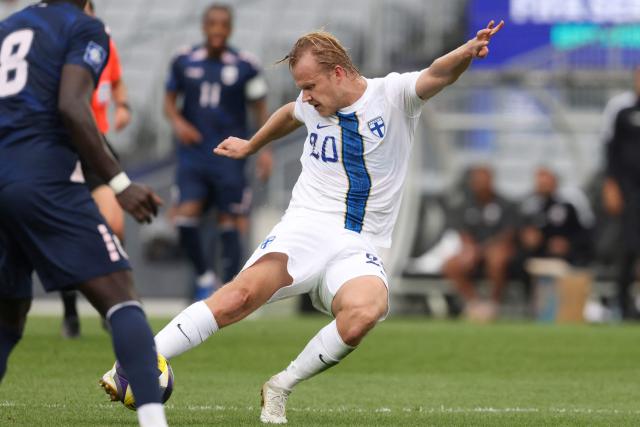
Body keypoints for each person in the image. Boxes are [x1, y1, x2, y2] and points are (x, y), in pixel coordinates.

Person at [106, 21, 503, 424]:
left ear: (339, 73)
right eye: (302, 88)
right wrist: (252, 144)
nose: (305, 97)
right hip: (305, 227)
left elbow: (438, 72)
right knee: (239, 297)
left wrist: (467, 51)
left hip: (360, 243)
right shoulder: (311, 103)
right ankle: (133, 363)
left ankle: (280, 385)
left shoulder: (392, 96)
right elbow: (288, 114)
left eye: (310, 86)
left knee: (365, 313)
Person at [0, 1, 167, 426]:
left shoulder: (9, 26)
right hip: (43, 177)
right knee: (121, 297)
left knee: (9, 314)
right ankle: (153, 421)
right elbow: (73, 107)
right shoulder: (86, 27)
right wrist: (121, 184)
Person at [164, 4, 272, 301]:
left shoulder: (245, 65)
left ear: (230, 28)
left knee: (231, 220)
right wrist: (178, 122)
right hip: (193, 155)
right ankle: (203, 276)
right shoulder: (184, 60)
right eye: (212, 24)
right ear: (204, 26)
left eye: (223, 25)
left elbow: (260, 109)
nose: (217, 30)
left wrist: (264, 150)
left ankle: (229, 289)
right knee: (185, 215)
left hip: (230, 156)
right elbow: (169, 102)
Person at [59, 0, 133, 339]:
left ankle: (112, 305)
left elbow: (116, 81)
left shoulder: (103, 41)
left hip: (96, 144)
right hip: (62, 144)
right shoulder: (55, 41)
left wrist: (123, 106)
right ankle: (70, 310)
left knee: (115, 223)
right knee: (64, 232)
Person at [442, 166, 515, 321]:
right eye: (477, 180)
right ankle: (474, 303)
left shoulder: (505, 204)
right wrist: (469, 248)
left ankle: (494, 303)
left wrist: (483, 248)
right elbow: (462, 231)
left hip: (496, 248)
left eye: (483, 180)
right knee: (451, 265)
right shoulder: (465, 205)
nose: (480, 184)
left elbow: (508, 233)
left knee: (497, 259)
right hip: (473, 250)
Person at [512, 168, 593, 305]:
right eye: (540, 182)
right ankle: (531, 303)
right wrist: (527, 238)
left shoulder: (568, 206)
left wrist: (567, 244)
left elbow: (583, 233)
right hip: (536, 254)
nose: (543, 185)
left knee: (572, 263)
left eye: (546, 182)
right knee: (519, 262)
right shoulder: (527, 208)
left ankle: (564, 305)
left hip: (564, 255)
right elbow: (518, 233)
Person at [601, 68, 640, 319]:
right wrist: (611, 184)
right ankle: (623, 304)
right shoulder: (621, 109)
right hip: (629, 190)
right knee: (628, 246)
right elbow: (609, 148)